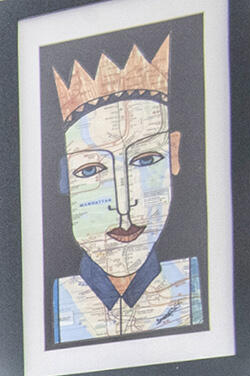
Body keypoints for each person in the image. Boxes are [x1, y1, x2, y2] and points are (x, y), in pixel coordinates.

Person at [50, 37, 203, 343]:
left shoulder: (190, 286)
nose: (124, 205)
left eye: (146, 159)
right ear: (65, 177)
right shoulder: (59, 301)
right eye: (90, 170)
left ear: (173, 153)